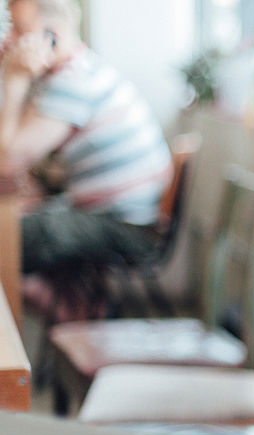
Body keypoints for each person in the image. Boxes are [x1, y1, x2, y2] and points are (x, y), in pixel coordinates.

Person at [0, 0, 172, 277]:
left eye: (19, 29)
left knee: (7, 237)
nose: (9, 39)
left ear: (52, 35)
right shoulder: (76, 71)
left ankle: (69, 308)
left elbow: (7, 160)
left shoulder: (72, 82)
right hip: (121, 219)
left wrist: (14, 80)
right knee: (19, 227)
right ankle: (70, 306)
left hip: (125, 228)